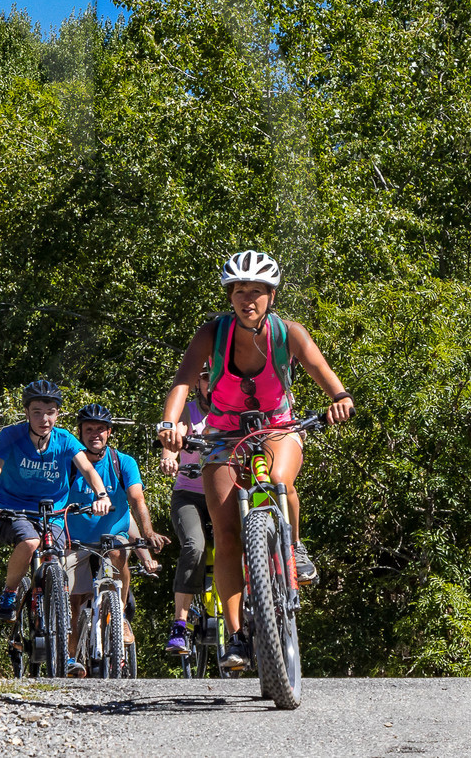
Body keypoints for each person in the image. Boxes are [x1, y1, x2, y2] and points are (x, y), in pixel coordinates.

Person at [156, 250, 355, 671]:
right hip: (224, 433)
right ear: (230, 296)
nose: (248, 299)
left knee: (279, 481)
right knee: (226, 533)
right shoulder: (212, 333)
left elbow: (320, 368)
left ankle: (295, 547)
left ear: (271, 296)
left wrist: (340, 398)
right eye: (239, 291)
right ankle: (238, 637)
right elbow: (183, 381)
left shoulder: (290, 334)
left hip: (277, 427)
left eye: (257, 292)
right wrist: (170, 423)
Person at [0, 379, 113, 623]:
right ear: (26, 412)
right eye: (37, 412)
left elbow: (88, 470)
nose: (44, 419)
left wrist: (101, 495)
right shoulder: (11, 435)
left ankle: (54, 612)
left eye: (50, 413)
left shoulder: (65, 439)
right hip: (14, 510)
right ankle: (9, 593)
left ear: (58, 414)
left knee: (58, 556)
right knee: (30, 542)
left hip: (53, 512)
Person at [64, 403, 168, 676]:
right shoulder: (70, 464)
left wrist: (148, 534)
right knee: (75, 603)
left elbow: (137, 499)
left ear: (109, 433)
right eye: (89, 429)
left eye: (100, 429)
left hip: (112, 536)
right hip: (76, 541)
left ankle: (119, 614)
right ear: (80, 433)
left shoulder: (123, 463)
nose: (94, 434)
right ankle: (71, 659)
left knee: (118, 552)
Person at [164, 373, 213, 656]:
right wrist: (170, 457)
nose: (212, 381)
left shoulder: (234, 409)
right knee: (195, 546)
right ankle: (179, 626)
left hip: (227, 493)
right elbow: (176, 435)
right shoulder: (189, 411)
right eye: (206, 376)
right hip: (189, 495)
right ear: (198, 383)